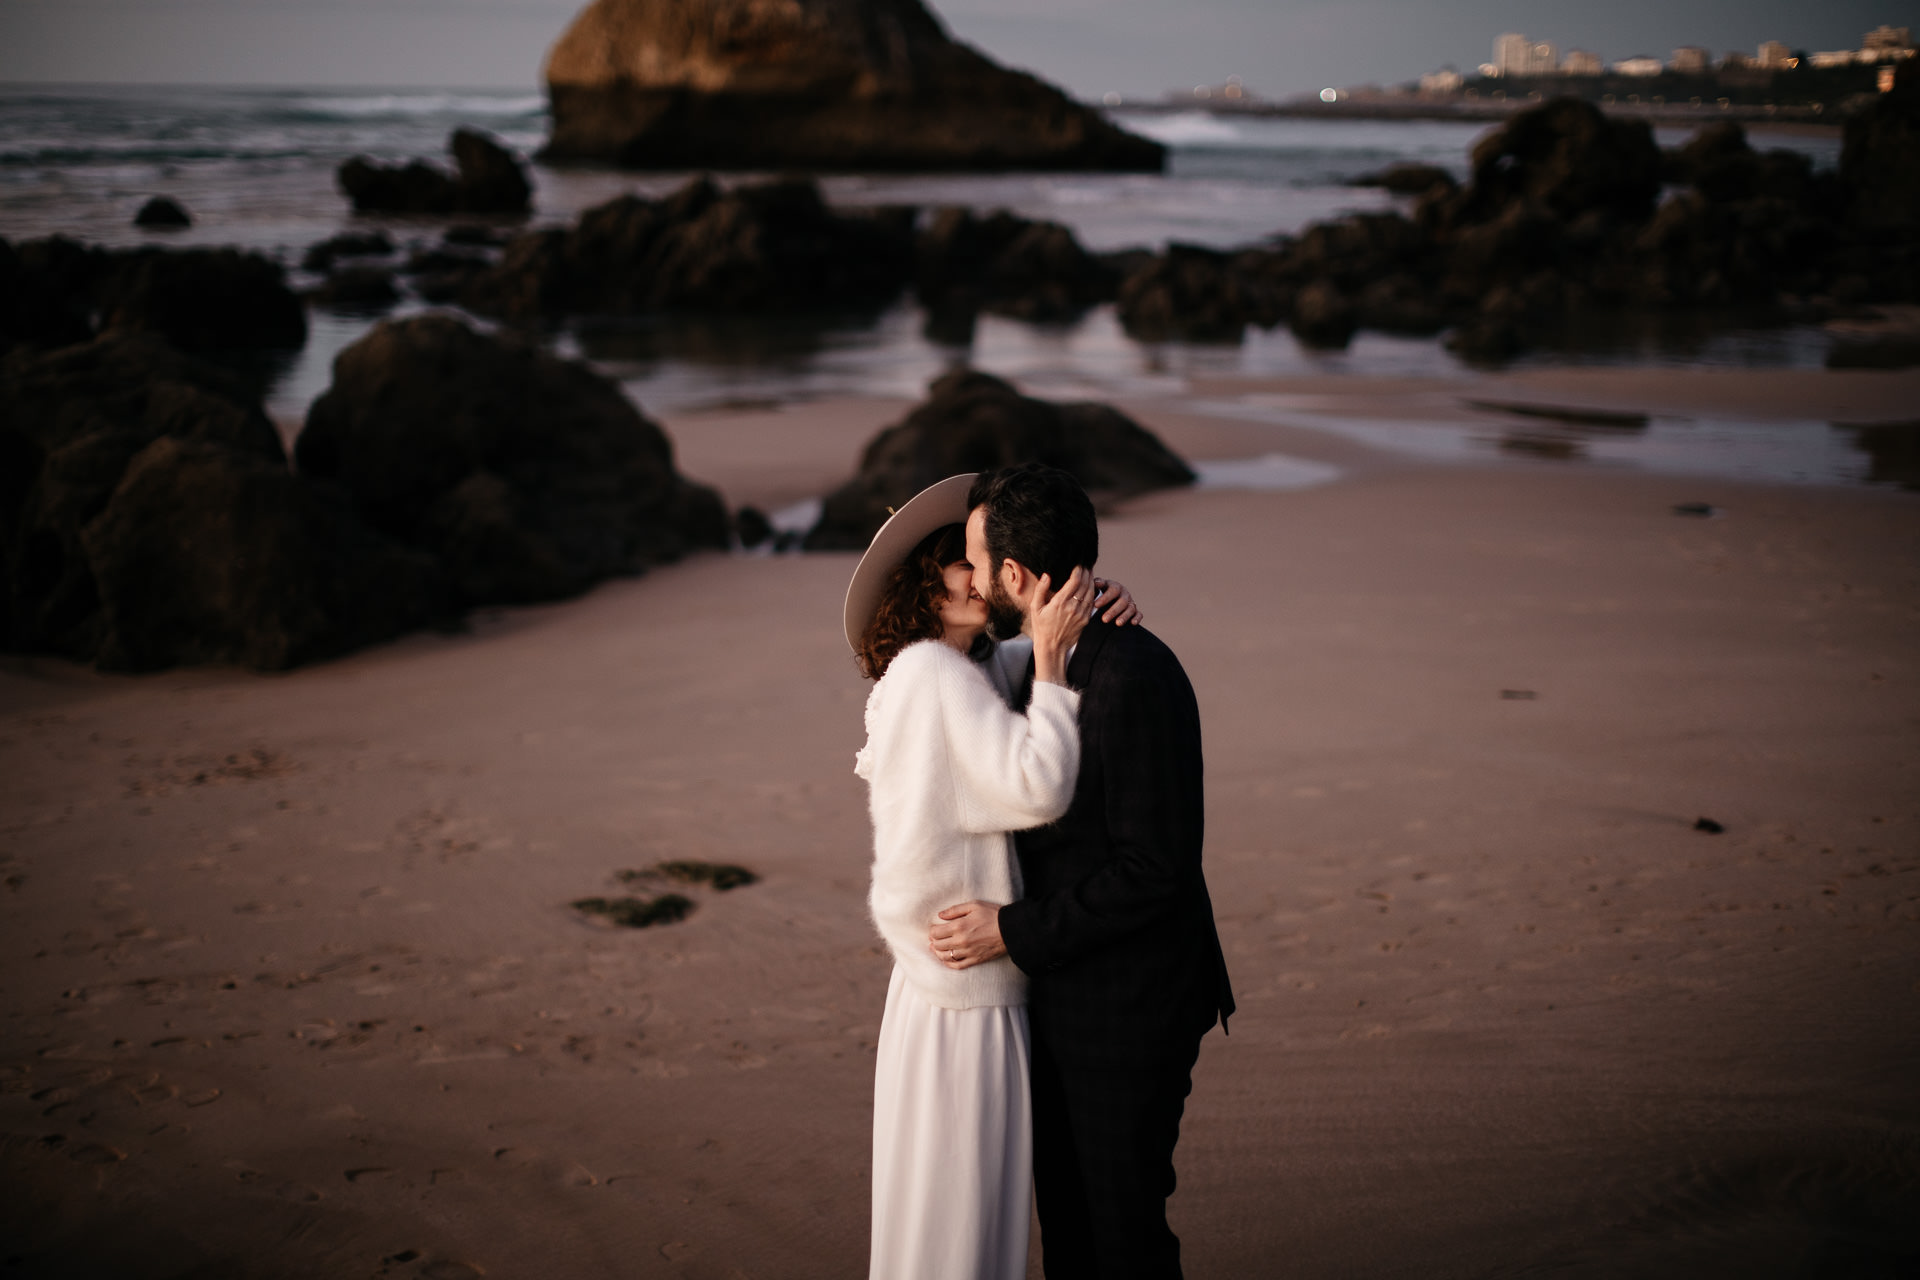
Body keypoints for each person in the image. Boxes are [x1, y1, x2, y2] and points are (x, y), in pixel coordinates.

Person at [931, 463, 1235, 1280]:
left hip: (1131, 1009)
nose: (969, 574)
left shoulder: (1132, 674)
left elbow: (1155, 868)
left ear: (1019, 576)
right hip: (1067, 994)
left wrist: (1009, 930)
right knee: (1069, 1227)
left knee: (1119, 1233)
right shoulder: (1035, 663)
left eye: (977, 559)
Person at [844, 473, 1141, 1280]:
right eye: (959, 566)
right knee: (965, 1223)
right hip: (969, 987)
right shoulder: (939, 680)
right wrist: (1051, 654)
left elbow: (1003, 669)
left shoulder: (923, 676)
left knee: (933, 1215)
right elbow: (1037, 785)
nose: (982, 579)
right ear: (925, 585)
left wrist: (1072, 608)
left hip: (931, 985)